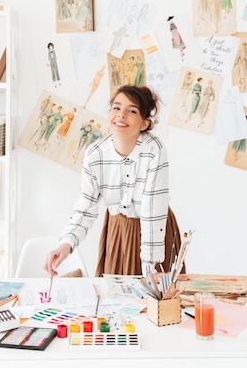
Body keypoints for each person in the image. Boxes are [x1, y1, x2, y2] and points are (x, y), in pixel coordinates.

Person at [44, 84, 184, 278]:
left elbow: (153, 210)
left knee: (159, 299)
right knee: (116, 301)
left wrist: (150, 267)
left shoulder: (154, 150)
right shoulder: (95, 154)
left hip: (156, 230)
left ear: (144, 123)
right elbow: (85, 209)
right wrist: (65, 245)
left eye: (132, 110)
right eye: (116, 108)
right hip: (118, 232)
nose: (121, 114)